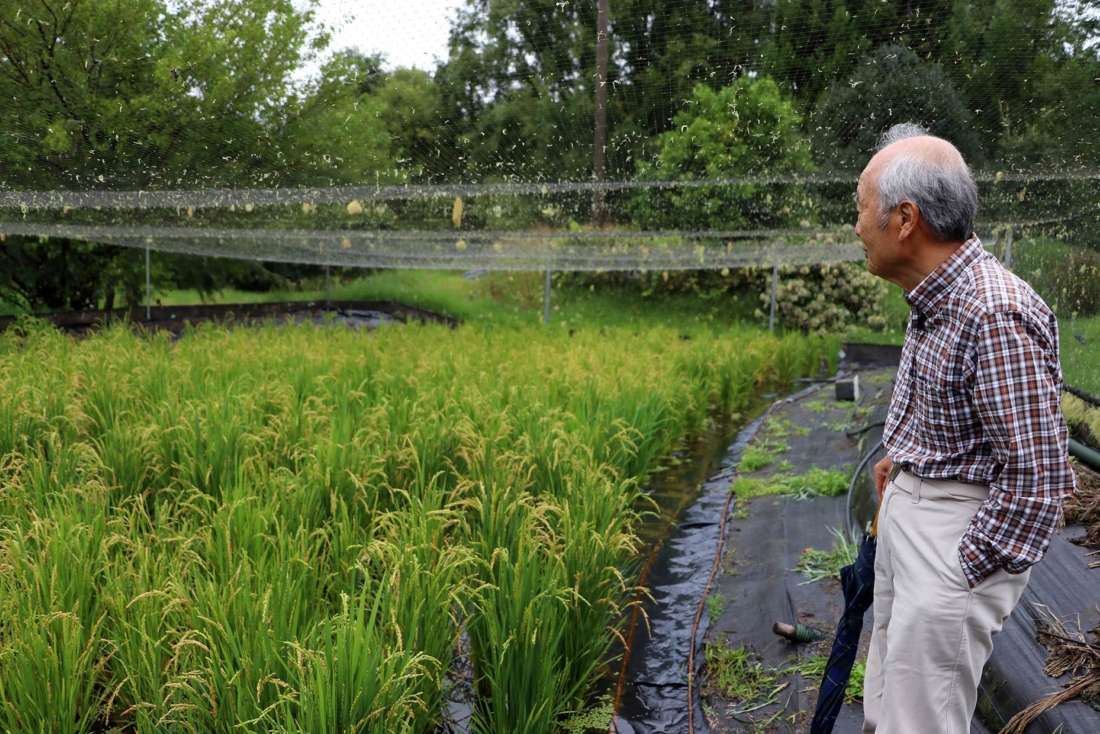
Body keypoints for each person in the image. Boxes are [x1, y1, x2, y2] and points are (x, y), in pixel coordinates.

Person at [854, 123, 1076, 733]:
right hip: (915, 512)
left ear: (904, 220)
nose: (856, 226)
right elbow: (956, 409)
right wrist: (901, 459)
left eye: (861, 208)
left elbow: (1038, 480)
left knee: (922, 718)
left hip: (954, 536)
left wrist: (965, 570)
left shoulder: (993, 312)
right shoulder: (935, 297)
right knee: (889, 698)